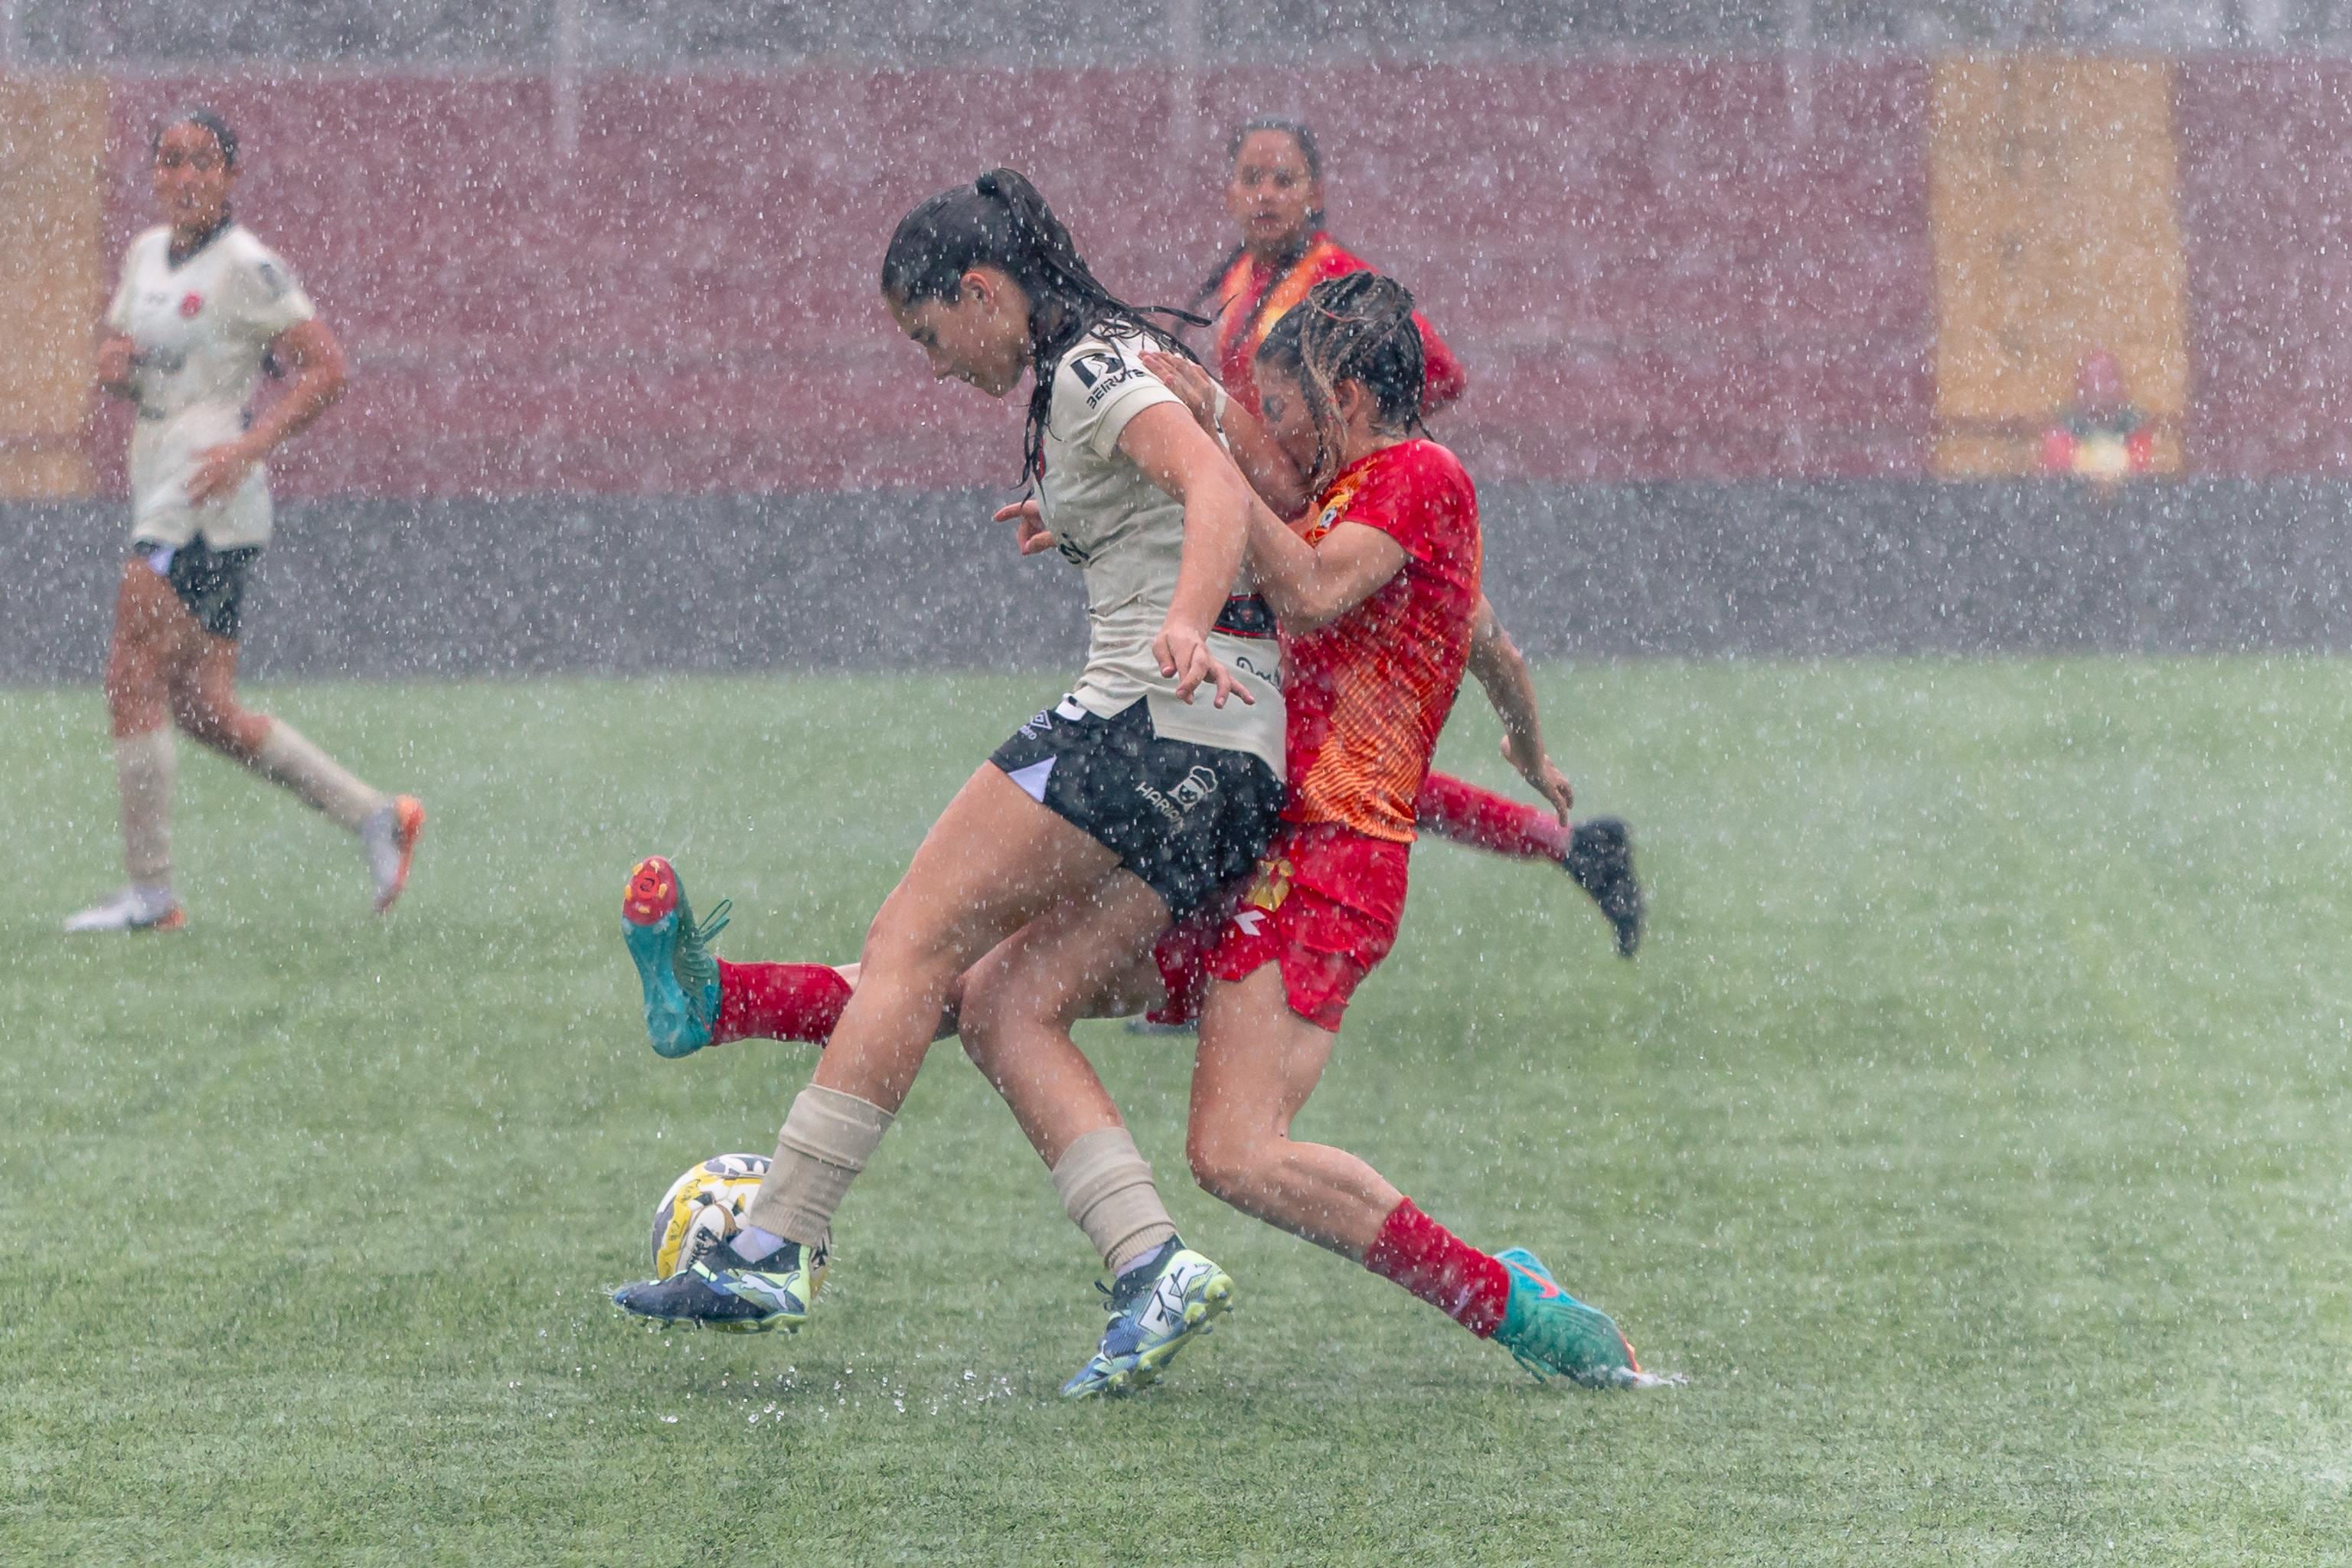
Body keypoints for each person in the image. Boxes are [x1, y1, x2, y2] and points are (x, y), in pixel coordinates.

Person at [612, 171, 1284, 1394]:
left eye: (931, 334)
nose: (932, 365)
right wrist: (1079, 521)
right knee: (1004, 1006)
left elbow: (1217, 489)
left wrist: (1181, 621)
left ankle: (777, 1246)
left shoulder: (1086, 363)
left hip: (1150, 720)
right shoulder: (1096, 369)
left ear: (981, 292)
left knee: (909, 941)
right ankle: (1151, 1266)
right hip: (1234, 764)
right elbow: (1205, 480)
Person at [1202, 116, 1641, 958]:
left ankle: (1214, 941)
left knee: (1324, 750)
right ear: (1228, 190)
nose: (1264, 193)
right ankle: (1570, 847)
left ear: (1315, 193)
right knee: (1327, 750)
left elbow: (1431, 368)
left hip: (1344, 526)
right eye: (1251, 176)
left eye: (1283, 178)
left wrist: (1367, 460)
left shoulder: (1343, 284)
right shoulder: (1232, 284)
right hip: (1289, 521)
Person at [67, 109, 423, 933]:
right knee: (201, 705)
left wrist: (250, 445)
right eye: (170, 160)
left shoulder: (248, 266)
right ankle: (374, 814)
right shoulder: (144, 256)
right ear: (153, 175)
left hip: (199, 498)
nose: (185, 176)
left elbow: (327, 368)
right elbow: (127, 354)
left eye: (203, 162)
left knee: (130, 672)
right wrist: (114, 368)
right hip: (163, 483)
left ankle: (151, 895)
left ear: (229, 177)